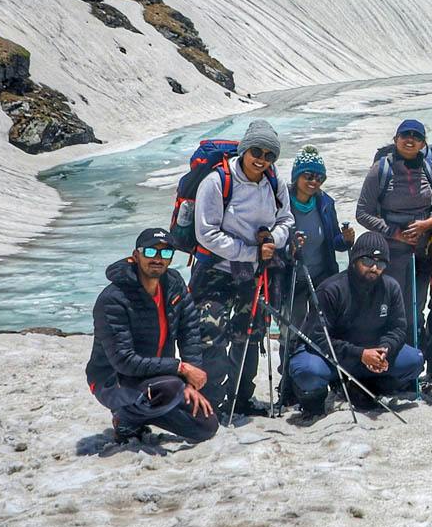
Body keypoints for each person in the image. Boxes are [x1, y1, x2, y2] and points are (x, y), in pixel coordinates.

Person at [192, 118, 293, 417]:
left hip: (255, 274)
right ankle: (210, 400)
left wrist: (273, 239)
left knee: (249, 335)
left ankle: (240, 398)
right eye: (257, 152)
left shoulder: (274, 183)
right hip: (217, 273)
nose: (262, 160)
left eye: (269, 155)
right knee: (211, 335)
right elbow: (206, 233)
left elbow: (285, 220)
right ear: (245, 150)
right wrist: (250, 253)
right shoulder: (216, 181)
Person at [86, 228, 217, 444]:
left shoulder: (174, 284)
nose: (157, 259)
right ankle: (125, 419)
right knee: (170, 388)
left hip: (157, 378)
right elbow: (124, 361)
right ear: (136, 255)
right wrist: (180, 369)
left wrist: (191, 383)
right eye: (150, 252)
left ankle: (143, 412)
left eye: (165, 253)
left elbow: (190, 331)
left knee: (205, 426)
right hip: (114, 381)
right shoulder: (113, 299)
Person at [287, 231, 426, 420]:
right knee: (307, 370)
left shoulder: (390, 287)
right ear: (354, 260)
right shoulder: (331, 289)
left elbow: (398, 328)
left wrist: (386, 349)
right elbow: (319, 337)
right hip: (333, 356)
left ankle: (365, 388)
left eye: (381, 263)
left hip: (370, 353)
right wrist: (360, 354)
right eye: (368, 261)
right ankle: (314, 402)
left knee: (414, 361)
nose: (374, 268)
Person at [356, 118, 432, 372]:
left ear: (423, 143)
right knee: (392, 310)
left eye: (416, 137)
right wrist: (394, 233)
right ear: (396, 139)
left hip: (422, 253)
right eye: (405, 135)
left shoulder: (431, 170)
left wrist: (428, 223)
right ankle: (388, 365)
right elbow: (362, 212)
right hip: (390, 255)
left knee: (415, 310)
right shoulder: (381, 170)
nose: (410, 140)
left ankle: (410, 365)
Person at [288, 145, 354, 287]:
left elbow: (335, 242)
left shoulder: (326, 203)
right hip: (290, 280)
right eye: (308, 176)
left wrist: (346, 239)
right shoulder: (280, 203)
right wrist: (289, 248)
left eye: (319, 178)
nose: (314, 182)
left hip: (321, 278)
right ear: (296, 176)